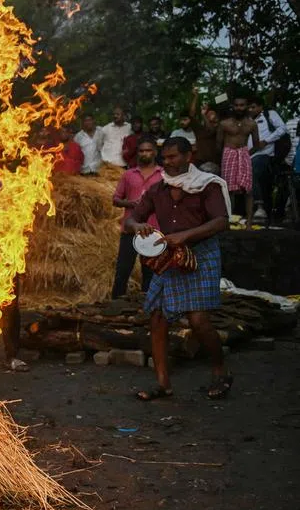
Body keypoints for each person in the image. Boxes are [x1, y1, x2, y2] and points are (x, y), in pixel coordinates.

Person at [126, 137, 231, 401]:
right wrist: (138, 227)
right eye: (166, 157)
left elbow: (221, 222)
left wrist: (185, 236)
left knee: (198, 320)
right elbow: (132, 219)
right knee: (158, 317)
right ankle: (163, 384)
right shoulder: (158, 189)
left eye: (173, 157)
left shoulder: (207, 186)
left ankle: (220, 371)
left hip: (202, 254)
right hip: (168, 255)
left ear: (188, 157)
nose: (168, 162)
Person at [111, 137, 162, 298]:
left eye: (148, 150)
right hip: (130, 230)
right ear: (137, 153)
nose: (145, 153)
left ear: (155, 152)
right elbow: (116, 199)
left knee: (150, 271)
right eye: (141, 150)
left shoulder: (163, 175)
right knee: (123, 270)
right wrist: (132, 203)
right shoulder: (128, 174)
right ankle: (115, 305)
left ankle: (147, 306)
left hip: (153, 230)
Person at [218, 95, 259, 223]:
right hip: (228, 154)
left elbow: (257, 144)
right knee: (228, 189)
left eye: (242, 105)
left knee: (248, 189)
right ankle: (227, 221)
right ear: (233, 106)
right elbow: (218, 144)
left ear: (246, 106)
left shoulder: (252, 124)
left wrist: (245, 154)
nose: (239, 108)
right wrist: (227, 155)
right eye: (236, 105)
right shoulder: (224, 123)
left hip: (244, 153)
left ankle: (249, 222)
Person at [248, 96, 287, 224]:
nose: (251, 109)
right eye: (249, 107)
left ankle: (260, 208)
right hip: (248, 155)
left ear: (260, 107)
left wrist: (267, 140)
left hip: (265, 154)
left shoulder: (269, 114)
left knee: (252, 169)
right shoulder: (246, 119)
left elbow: (282, 129)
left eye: (253, 107)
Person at [188, 88, 221, 174]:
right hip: (200, 162)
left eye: (215, 119)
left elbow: (211, 130)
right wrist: (195, 97)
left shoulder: (219, 128)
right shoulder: (199, 129)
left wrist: (204, 115)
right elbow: (191, 114)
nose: (212, 118)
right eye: (209, 116)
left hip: (215, 163)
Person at [99, 106, 131, 175]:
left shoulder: (129, 128)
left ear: (124, 116)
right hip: (108, 167)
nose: (115, 116)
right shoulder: (106, 128)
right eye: (114, 114)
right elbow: (99, 145)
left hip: (123, 166)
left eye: (118, 114)